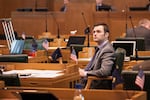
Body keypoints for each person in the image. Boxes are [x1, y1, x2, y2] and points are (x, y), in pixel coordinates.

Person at [79, 23, 115, 89]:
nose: (95, 34)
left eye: (98, 32)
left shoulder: (107, 50)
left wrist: (86, 73)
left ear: (106, 34)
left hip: (95, 86)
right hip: (88, 83)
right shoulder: (100, 48)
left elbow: (105, 71)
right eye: (94, 32)